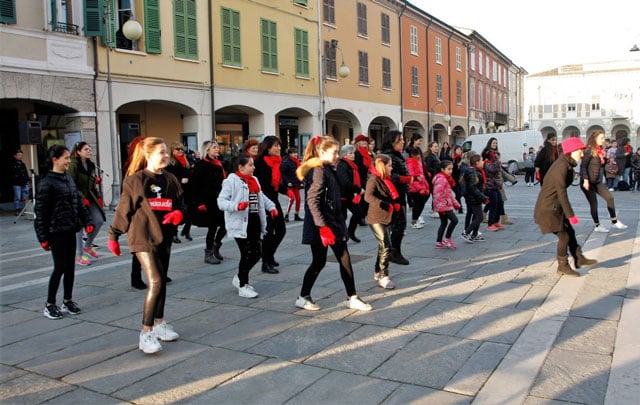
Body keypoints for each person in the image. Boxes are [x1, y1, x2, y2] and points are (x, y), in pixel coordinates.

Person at [108, 137, 186, 354]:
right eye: (161, 152)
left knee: (161, 283)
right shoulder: (135, 181)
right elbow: (124, 211)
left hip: (164, 236)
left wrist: (179, 213)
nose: (166, 155)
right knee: (156, 281)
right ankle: (146, 332)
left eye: (166, 151)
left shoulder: (171, 179)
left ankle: (160, 324)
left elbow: (181, 204)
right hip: (142, 237)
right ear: (148, 155)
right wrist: (113, 236)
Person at [294, 135, 372, 312]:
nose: (337, 155)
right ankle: (304, 296)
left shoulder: (328, 168)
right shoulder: (318, 170)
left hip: (332, 223)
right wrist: (322, 227)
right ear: (321, 152)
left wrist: (356, 190)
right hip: (323, 225)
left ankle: (350, 296)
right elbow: (312, 201)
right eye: (334, 152)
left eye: (337, 152)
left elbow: (338, 189)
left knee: (336, 259)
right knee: (321, 261)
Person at [35, 144, 93, 319]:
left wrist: (87, 221)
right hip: (55, 231)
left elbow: (78, 201)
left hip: (71, 228)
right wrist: (43, 237)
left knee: (70, 267)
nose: (69, 160)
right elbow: (41, 213)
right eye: (66, 158)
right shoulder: (46, 183)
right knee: (59, 267)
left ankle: (67, 300)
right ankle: (50, 304)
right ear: (55, 160)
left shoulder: (68, 178)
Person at [534, 137, 598, 277]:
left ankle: (579, 258)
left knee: (570, 232)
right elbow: (561, 192)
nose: (582, 154)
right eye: (580, 151)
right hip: (549, 209)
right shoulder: (561, 167)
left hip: (554, 207)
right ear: (571, 151)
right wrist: (571, 215)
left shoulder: (566, 163)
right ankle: (563, 265)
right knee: (564, 236)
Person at [218, 154, 277, 298]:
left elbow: (261, 196)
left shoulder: (254, 180)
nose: (253, 167)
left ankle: (239, 277)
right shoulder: (231, 181)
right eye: (250, 165)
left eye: (253, 164)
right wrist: (236, 206)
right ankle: (243, 285)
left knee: (257, 253)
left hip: (254, 220)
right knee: (246, 254)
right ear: (241, 167)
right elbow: (221, 201)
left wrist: (271, 207)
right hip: (240, 223)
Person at [579, 130, 627, 233]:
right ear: (595, 138)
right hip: (587, 182)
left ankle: (614, 221)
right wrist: (585, 180)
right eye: (601, 138)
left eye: (604, 138)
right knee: (594, 204)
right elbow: (583, 166)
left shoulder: (600, 150)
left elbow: (601, 165)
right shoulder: (589, 150)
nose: (603, 140)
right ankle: (597, 225)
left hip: (596, 181)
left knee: (609, 197)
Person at [68, 142, 106, 266]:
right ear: (78, 152)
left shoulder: (90, 165)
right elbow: (71, 183)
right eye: (86, 149)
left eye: (90, 149)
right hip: (77, 198)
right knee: (78, 226)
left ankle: (88, 245)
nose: (89, 151)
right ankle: (79, 255)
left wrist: (99, 197)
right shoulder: (73, 165)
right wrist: (80, 197)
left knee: (98, 220)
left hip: (90, 196)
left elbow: (92, 183)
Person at [191, 140, 227, 264]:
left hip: (221, 199)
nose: (217, 149)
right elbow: (196, 185)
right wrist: (200, 202)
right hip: (209, 200)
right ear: (207, 150)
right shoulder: (201, 165)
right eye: (214, 148)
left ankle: (216, 245)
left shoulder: (219, 163)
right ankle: (209, 252)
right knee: (212, 227)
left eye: (217, 147)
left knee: (225, 224)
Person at [365, 154, 398, 289]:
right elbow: (368, 197)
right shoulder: (373, 180)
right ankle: (384, 276)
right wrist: (383, 204)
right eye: (389, 165)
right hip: (376, 217)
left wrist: (394, 204)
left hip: (386, 217)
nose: (391, 168)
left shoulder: (385, 179)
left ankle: (378, 271)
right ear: (382, 166)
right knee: (386, 246)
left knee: (382, 246)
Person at [381, 130, 413, 265]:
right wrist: (405, 179)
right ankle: (393, 252)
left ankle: (393, 251)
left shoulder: (396, 155)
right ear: (392, 142)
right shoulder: (389, 156)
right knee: (398, 224)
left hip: (400, 193)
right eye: (400, 140)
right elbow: (387, 176)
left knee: (399, 224)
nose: (403, 142)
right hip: (393, 195)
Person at [123, 136, 148, 290]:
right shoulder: (132, 169)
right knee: (140, 246)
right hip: (138, 212)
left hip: (152, 211)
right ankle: (136, 276)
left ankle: (159, 273)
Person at [166, 141, 193, 242]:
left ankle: (186, 230)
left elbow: (189, 174)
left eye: (182, 149)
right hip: (176, 191)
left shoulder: (186, 161)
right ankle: (174, 233)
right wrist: (180, 179)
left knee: (190, 211)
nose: (181, 151)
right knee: (177, 212)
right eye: (178, 149)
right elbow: (169, 177)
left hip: (187, 190)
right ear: (173, 151)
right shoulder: (171, 163)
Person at [336, 144, 364, 243]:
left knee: (358, 212)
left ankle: (350, 232)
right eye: (350, 153)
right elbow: (345, 182)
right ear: (344, 155)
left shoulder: (352, 165)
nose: (353, 155)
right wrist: (357, 189)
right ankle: (341, 235)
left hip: (349, 195)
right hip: (342, 195)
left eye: (353, 153)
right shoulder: (342, 165)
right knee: (343, 217)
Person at [432, 160, 460, 249]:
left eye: (451, 169)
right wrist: (441, 208)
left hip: (445, 205)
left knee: (444, 223)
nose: (451, 171)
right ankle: (447, 238)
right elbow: (437, 195)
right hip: (444, 206)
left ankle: (438, 241)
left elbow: (449, 194)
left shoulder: (446, 178)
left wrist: (455, 204)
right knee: (454, 220)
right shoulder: (441, 179)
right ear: (442, 169)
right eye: (449, 169)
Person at [461, 153, 488, 243]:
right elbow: (472, 188)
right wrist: (483, 197)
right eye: (481, 160)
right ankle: (466, 233)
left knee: (476, 216)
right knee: (479, 217)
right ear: (476, 162)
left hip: (475, 197)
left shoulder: (475, 171)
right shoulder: (472, 172)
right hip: (473, 198)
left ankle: (474, 234)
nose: (483, 162)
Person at [482, 138, 505, 232]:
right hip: (489, 184)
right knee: (493, 204)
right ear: (489, 143)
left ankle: (496, 221)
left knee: (500, 202)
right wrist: (498, 162)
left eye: (496, 143)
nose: (495, 144)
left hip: (496, 184)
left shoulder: (496, 154)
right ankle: (490, 224)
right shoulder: (487, 154)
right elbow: (491, 169)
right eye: (493, 143)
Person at [405, 147, 429, 229]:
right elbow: (412, 176)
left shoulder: (418, 162)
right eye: (416, 155)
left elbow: (420, 175)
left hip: (420, 186)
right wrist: (419, 187)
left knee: (420, 203)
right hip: (415, 187)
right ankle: (414, 221)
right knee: (418, 204)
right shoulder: (410, 163)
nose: (418, 156)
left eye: (418, 154)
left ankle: (415, 219)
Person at [353, 134, 374, 225]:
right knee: (362, 199)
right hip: (359, 179)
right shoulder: (357, 153)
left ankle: (361, 216)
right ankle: (360, 218)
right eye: (362, 141)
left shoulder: (366, 153)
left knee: (365, 199)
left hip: (365, 178)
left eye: (365, 141)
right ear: (358, 143)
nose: (364, 143)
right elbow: (358, 167)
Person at [280, 147, 303, 222]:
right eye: (293, 153)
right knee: (292, 198)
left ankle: (297, 214)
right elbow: (283, 174)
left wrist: (301, 182)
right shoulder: (286, 162)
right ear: (290, 154)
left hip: (296, 184)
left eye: (296, 152)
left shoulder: (297, 162)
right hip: (289, 185)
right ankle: (287, 214)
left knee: (299, 199)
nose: (295, 154)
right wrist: (287, 182)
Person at [11, 149, 31, 216]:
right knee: (17, 197)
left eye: (21, 155)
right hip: (17, 183)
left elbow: (25, 172)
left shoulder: (23, 164)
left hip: (24, 182)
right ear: (15, 156)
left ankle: (26, 209)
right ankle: (17, 210)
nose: (20, 156)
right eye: (19, 155)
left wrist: (28, 179)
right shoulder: (13, 164)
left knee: (25, 196)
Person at [424, 141, 441, 218]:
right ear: (430, 148)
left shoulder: (435, 156)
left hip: (436, 177)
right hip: (432, 178)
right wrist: (435, 170)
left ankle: (435, 209)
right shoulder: (430, 157)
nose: (436, 148)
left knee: (436, 194)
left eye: (437, 146)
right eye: (434, 146)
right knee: (435, 194)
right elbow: (427, 168)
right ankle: (434, 210)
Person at [451, 145, 464, 213]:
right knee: (459, 193)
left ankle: (458, 206)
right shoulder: (456, 158)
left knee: (459, 194)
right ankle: (459, 208)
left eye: (460, 149)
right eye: (457, 149)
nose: (459, 150)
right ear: (455, 151)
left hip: (458, 179)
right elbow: (455, 169)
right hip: (454, 179)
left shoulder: (459, 158)